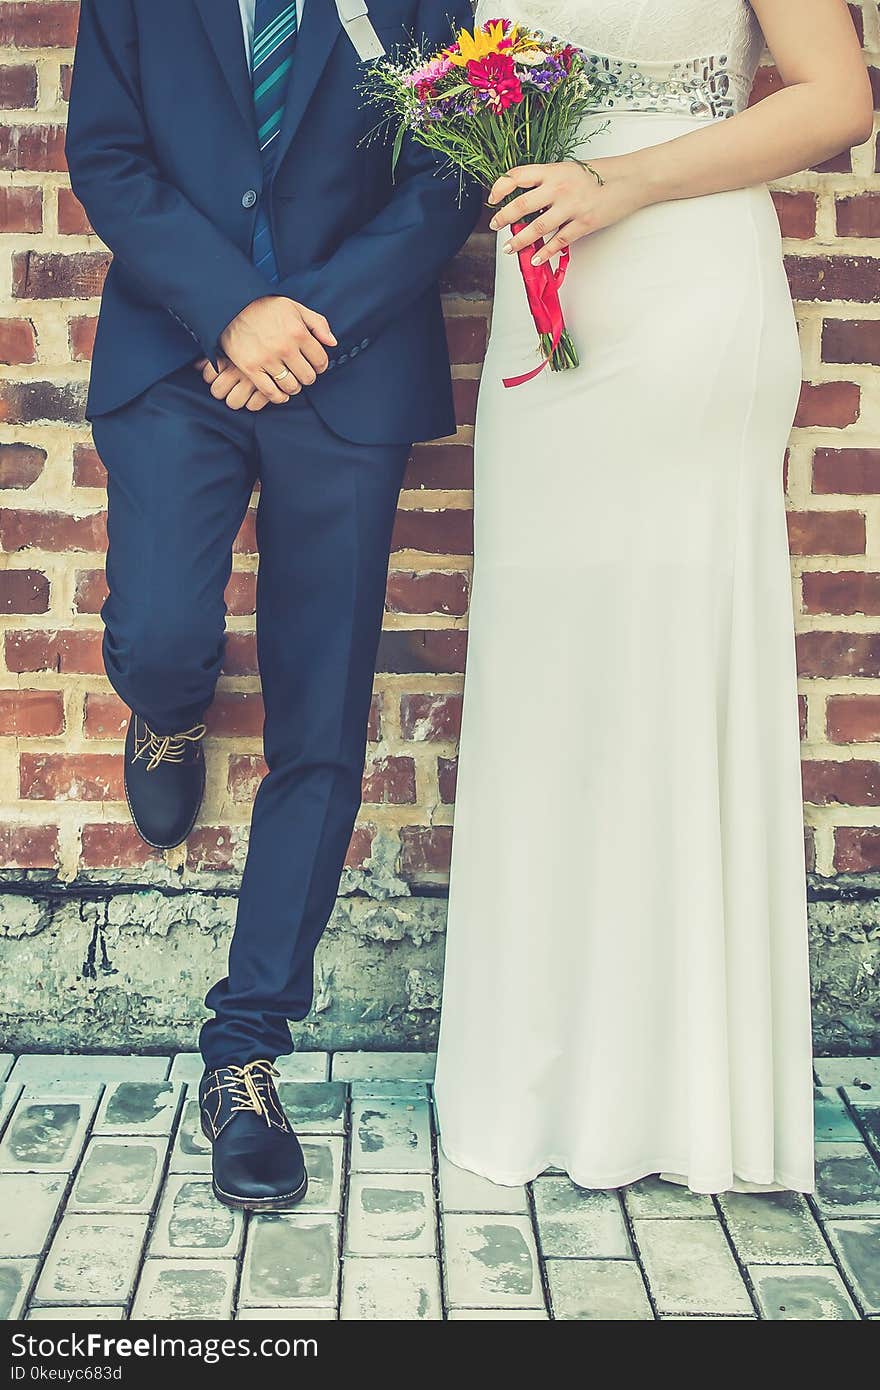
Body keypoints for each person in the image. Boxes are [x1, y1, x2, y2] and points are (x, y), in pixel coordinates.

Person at [435, 0, 872, 1195]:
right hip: (550, 295)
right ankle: (543, 1079)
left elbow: (836, 98)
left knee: (672, 665)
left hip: (687, 286)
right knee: (549, 673)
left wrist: (622, 180)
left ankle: (684, 1093)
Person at [65, 0, 480, 1211]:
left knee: (319, 722)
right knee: (158, 632)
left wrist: (311, 318)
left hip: (346, 367)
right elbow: (108, 153)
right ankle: (170, 708)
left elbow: (445, 173)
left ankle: (243, 1053)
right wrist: (228, 308)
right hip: (174, 350)